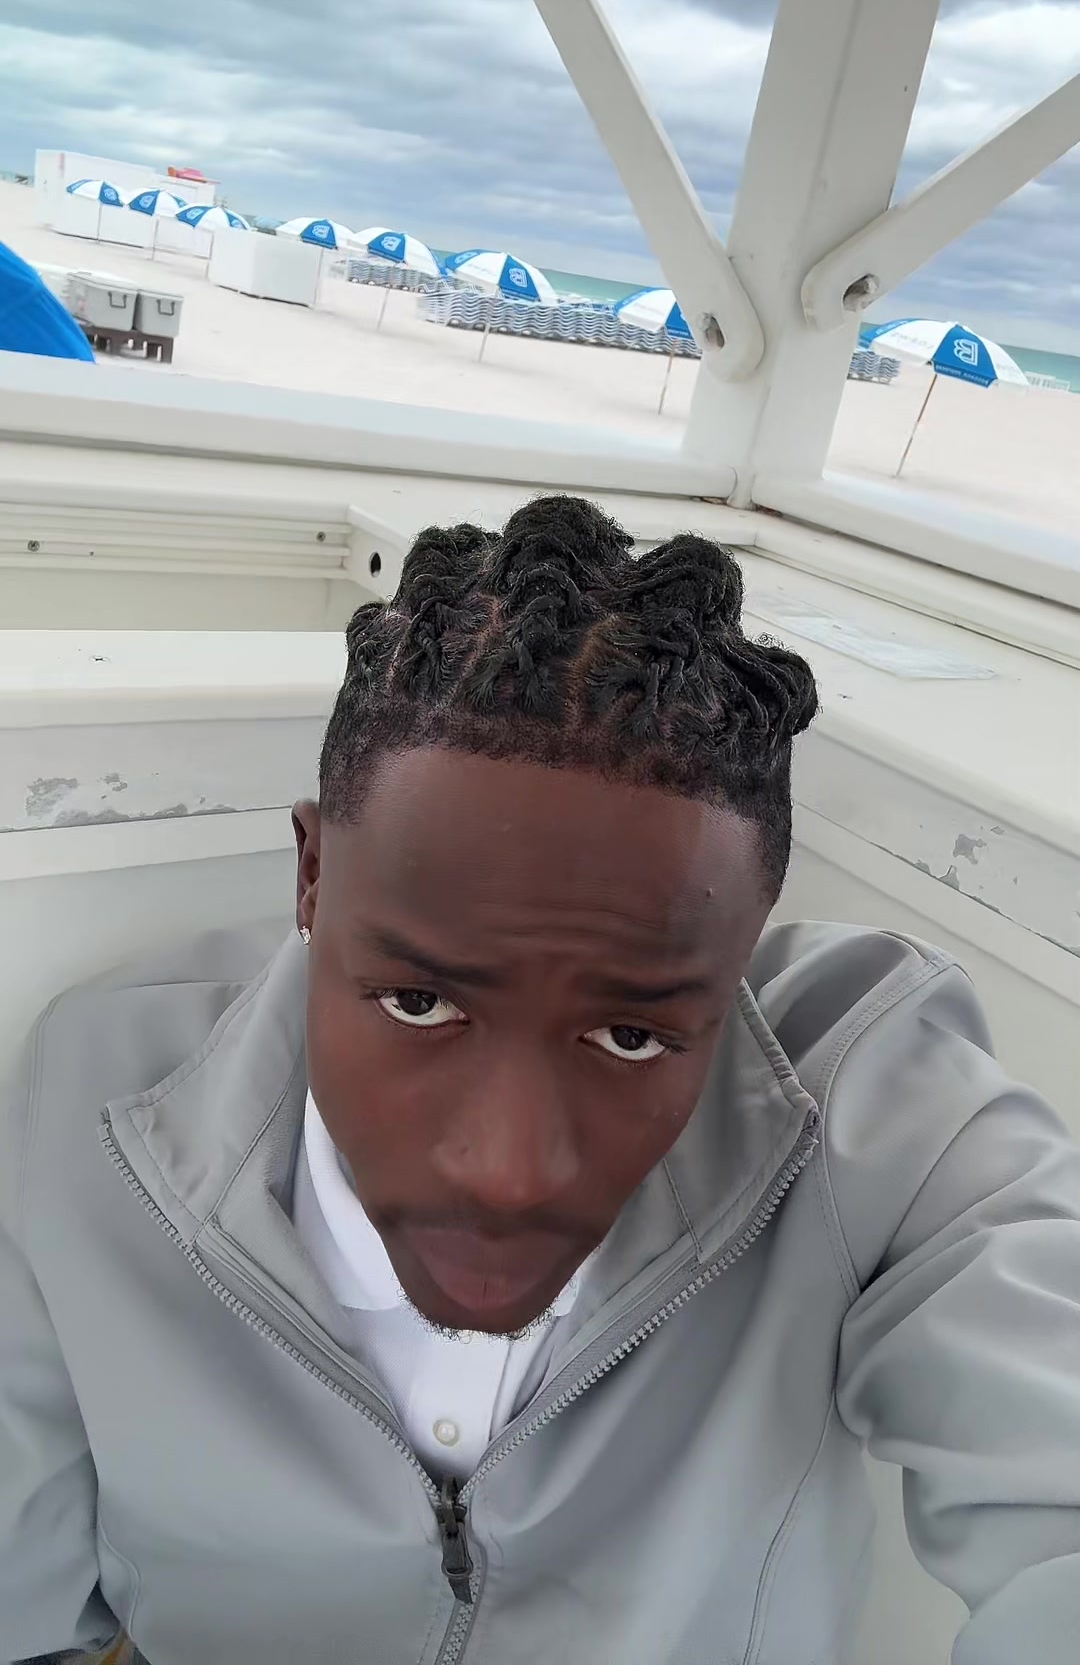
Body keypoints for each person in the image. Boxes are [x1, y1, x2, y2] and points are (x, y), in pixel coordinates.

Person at [2, 495, 1078, 1665]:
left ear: (740, 953)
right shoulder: (91, 1098)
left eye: (632, 1038)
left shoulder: (865, 1093)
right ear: (312, 877)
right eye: (420, 1005)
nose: (510, 1176)